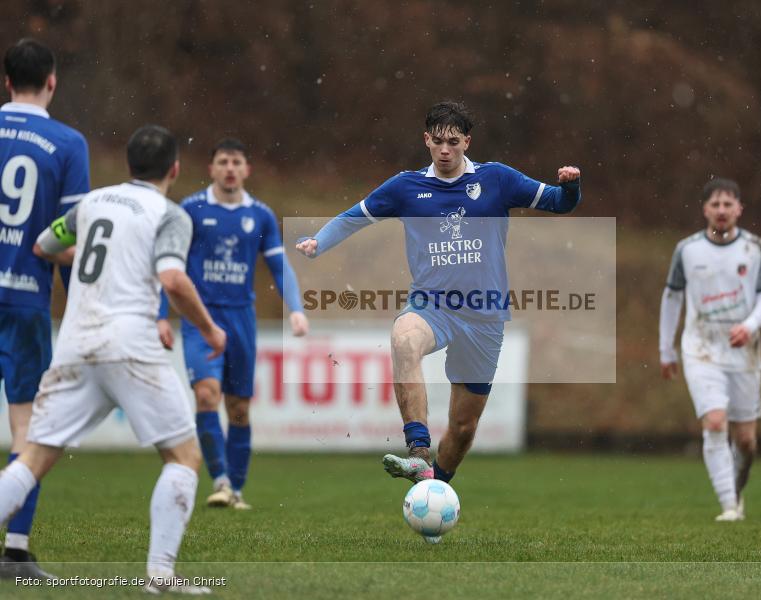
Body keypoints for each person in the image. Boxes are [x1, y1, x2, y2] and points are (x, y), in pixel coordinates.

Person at [296, 100, 581, 539]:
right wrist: (320, 241)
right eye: (437, 141)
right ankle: (417, 448)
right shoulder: (406, 188)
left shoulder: (497, 179)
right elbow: (355, 217)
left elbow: (561, 204)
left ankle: (433, 493)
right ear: (426, 140)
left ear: (467, 142)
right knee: (404, 338)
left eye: (454, 142)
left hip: (484, 315)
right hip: (434, 306)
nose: (445, 150)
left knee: (464, 428)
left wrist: (571, 186)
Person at [0, 124, 225, 594]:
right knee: (183, 456)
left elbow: (44, 246)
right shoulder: (170, 213)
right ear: (175, 169)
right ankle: (161, 575)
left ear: (128, 165)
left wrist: (96, 260)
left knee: (33, 458)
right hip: (130, 345)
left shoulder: (93, 202)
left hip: (76, 342)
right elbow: (172, 279)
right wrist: (209, 329)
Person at [156, 138, 308, 510]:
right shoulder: (189, 210)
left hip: (241, 318)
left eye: (236, 162)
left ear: (246, 169)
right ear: (211, 168)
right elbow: (169, 266)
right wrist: (161, 315)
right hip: (201, 317)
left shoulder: (260, 215)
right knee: (207, 395)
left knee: (239, 408)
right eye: (222, 161)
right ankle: (220, 480)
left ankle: (236, 488)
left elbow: (279, 266)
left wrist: (296, 308)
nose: (229, 168)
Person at [0, 38, 90, 578]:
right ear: (51, 82)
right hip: (25, 298)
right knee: (28, 430)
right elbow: (64, 242)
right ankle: (14, 549)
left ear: (7, 80)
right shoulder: (66, 143)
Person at [659, 178, 761, 522]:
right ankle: (728, 505)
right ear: (704, 209)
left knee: (746, 441)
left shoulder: (755, 248)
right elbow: (672, 297)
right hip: (701, 347)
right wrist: (666, 349)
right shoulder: (687, 249)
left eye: (728, 204)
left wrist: (750, 325)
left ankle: (736, 492)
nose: (722, 210)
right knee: (714, 421)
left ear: (739, 208)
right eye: (715, 204)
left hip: (744, 350)